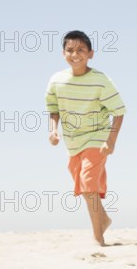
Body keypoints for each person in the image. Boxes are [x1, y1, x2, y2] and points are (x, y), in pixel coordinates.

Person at [46, 30, 126, 246]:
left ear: (90, 53)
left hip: (97, 137)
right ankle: (104, 219)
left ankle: (98, 236)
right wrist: (53, 130)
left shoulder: (100, 80)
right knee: (82, 185)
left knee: (88, 182)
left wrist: (111, 141)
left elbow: (119, 111)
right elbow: (53, 109)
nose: (75, 54)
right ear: (63, 53)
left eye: (81, 50)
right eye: (70, 50)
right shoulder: (56, 81)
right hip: (72, 142)